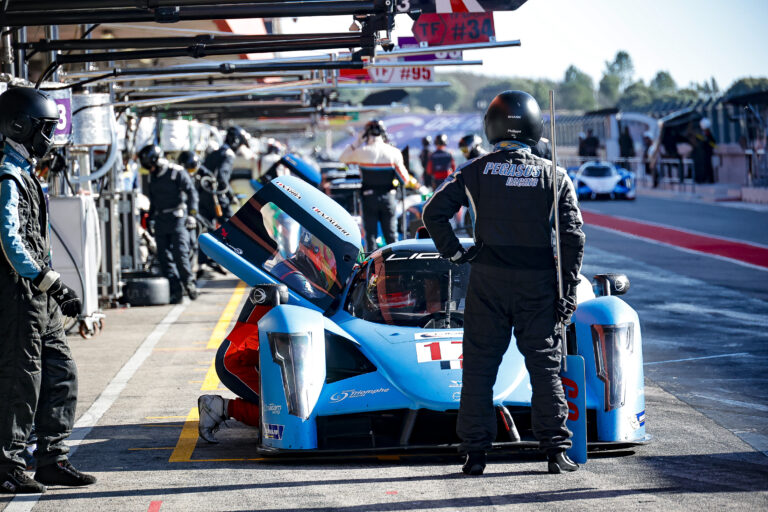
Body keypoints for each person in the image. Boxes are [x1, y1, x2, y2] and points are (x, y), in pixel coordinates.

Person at [422, 90, 585, 476]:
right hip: (540, 285)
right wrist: (568, 289)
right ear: (534, 128)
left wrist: (457, 254)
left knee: (479, 370)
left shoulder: (474, 171)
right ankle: (555, 452)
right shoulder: (555, 175)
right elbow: (573, 236)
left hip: (488, 282)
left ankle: (475, 455)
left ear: (492, 126)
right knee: (545, 368)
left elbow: (432, 213)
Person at [0, 87, 96, 494]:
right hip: (20, 294)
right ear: (20, 126)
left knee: (61, 373)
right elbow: (11, 240)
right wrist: (52, 283)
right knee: (21, 380)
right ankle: (7, 465)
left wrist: (51, 286)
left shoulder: (24, 173)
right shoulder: (7, 175)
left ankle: (52, 458)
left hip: (40, 294)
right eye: (45, 129)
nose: (49, 138)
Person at [198, 231, 335, 442]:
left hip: (257, 352)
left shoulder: (298, 269)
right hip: (240, 359)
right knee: (292, 414)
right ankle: (220, 408)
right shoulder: (296, 278)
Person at [340, 120, 418, 251]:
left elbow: (343, 158)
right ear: (384, 134)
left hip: (368, 198)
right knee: (391, 237)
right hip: (388, 198)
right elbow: (404, 179)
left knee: (370, 237)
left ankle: (371, 269)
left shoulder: (362, 151)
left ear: (366, 135)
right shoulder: (394, 152)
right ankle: (395, 265)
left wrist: (358, 141)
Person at [140, 144, 199, 303]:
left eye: (151, 166)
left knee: (180, 254)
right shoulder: (154, 176)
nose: (150, 169)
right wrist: (150, 219)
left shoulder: (176, 172)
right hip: (160, 220)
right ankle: (175, 291)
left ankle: (189, 283)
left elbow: (192, 192)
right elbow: (153, 200)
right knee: (164, 258)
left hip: (178, 218)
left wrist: (192, 215)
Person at [201, 126, 246, 223]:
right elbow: (222, 177)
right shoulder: (228, 155)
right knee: (229, 225)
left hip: (204, 194)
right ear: (236, 141)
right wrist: (231, 195)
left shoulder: (216, 153)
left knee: (208, 227)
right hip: (216, 196)